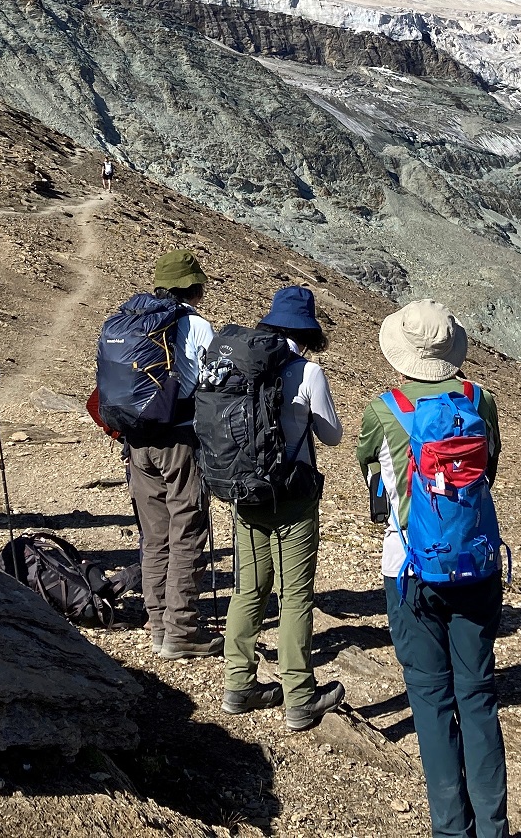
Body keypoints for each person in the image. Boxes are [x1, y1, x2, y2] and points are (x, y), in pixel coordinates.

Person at [358, 299, 508, 838]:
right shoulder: (480, 399)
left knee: (430, 700)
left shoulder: (384, 409)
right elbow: (490, 467)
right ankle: (494, 828)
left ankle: (450, 830)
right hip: (476, 563)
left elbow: (368, 467)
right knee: (478, 697)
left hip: (410, 569)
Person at [221, 286, 346, 729]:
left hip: (246, 495)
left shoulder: (239, 366)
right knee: (294, 597)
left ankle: (238, 684)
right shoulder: (307, 372)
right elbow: (331, 436)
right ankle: (299, 697)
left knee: (248, 589)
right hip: (293, 500)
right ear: (306, 332)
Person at [127, 248, 220, 660]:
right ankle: (181, 630)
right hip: (179, 438)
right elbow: (215, 382)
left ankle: (157, 623)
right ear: (193, 288)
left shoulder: (133, 320)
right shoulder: (197, 326)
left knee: (155, 532)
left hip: (136, 440)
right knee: (188, 528)